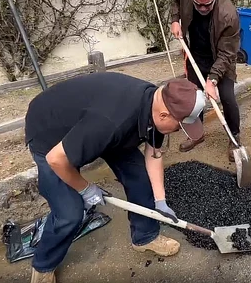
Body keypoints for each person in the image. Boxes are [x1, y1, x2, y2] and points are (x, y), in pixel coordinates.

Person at [23, 72, 206, 283]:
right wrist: (85, 188)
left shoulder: (156, 104)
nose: (179, 132)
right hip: (50, 134)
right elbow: (56, 159)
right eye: (179, 126)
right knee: (70, 213)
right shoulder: (111, 122)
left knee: (141, 178)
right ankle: (43, 266)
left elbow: (153, 154)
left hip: (97, 126)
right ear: (164, 115)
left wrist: (160, 200)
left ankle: (145, 237)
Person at [169, 0, 242, 162]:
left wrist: (213, 79)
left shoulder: (228, 15)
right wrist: (175, 19)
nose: (202, 7)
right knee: (194, 97)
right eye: (197, 3)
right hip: (196, 55)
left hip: (221, 58)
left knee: (227, 98)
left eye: (207, 3)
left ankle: (234, 138)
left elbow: (228, 54)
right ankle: (197, 134)